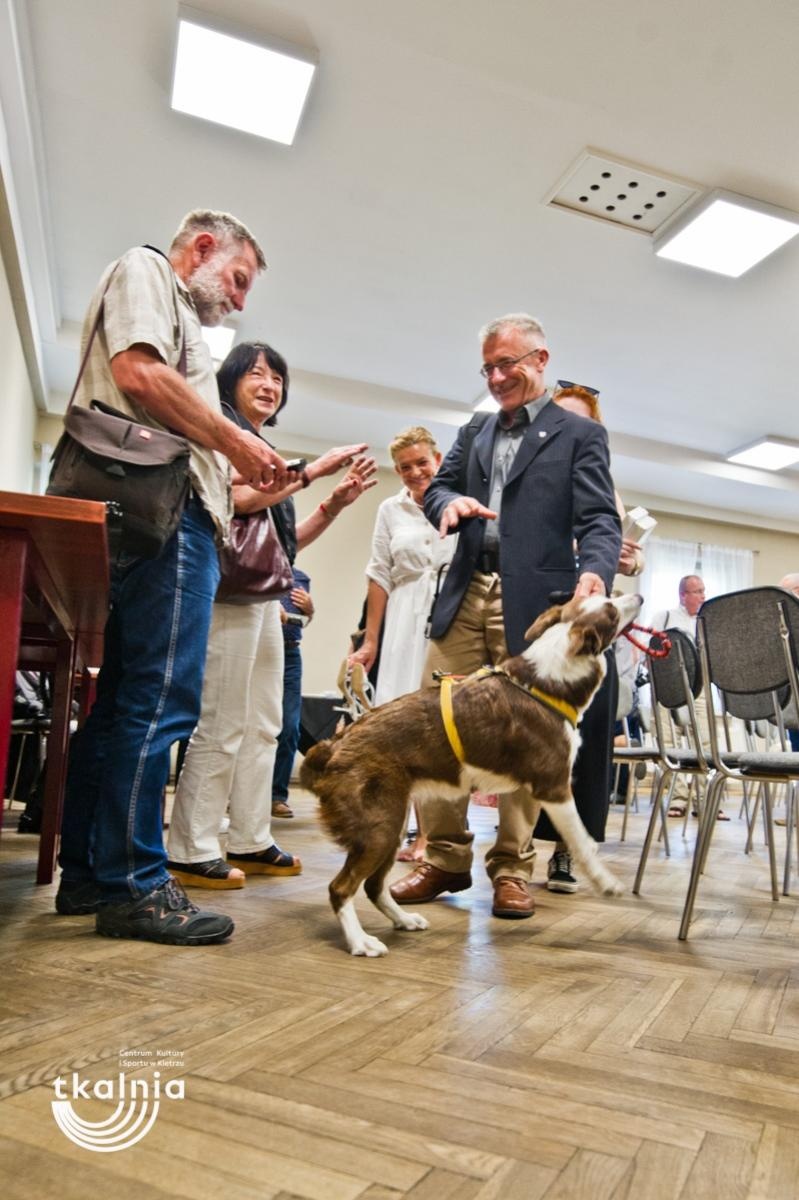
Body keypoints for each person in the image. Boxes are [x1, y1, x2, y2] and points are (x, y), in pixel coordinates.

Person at [55, 210, 294, 944]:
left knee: (125, 700)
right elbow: (138, 372)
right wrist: (233, 441)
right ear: (199, 248)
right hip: (165, 513)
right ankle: (136, 884)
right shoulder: (148, 269)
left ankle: (93, 875)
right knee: (162, 700)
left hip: (163, 517)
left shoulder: (179, 308)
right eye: (238, 277)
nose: (241, 300)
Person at [390, 313, 621, 919]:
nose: (495, 378)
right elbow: (436, 488)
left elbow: (601, 519)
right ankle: (443, 859)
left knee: (523, 733)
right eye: (487, 368)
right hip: (466, 591)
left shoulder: (579, 435)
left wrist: (596, 570)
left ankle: (513, 869)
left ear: (540, 360)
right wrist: (451, 501)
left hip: (535, 605)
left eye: (507, 365)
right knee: (434, 720)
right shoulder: (475, 431)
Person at [167, 341, 376, 889]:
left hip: (265, 597)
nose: (269, 384)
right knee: (222, 721)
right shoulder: (223, 434)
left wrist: (332, 505)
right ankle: (191, 846)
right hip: (229, 595)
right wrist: (311, 472)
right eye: (256, 373)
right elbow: (232, 502)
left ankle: (251, 836)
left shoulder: (260, 446)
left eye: (277, 377)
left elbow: (283, 544)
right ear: (230, 380)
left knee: (267, 724)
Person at [531, 382, 644, 889]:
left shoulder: (605, 486)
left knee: (589, 739)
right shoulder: (532, 476)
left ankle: (566, 853)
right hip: (547, 618)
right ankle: (515, 848)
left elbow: (627, 550)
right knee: (533, 734)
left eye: (581, 421)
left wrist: (632, 557)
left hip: (594, 624)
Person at [349, 426, 456, 860]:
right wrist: (370, 639)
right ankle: (402, 829)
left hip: (450, 617)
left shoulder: (459, 499)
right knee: (402, 727)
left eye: (422, 463)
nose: (415, 473)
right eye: (405, 467)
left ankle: (433, 834)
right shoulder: (389, 510)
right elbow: (379, 574)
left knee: (440, 726)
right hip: (402, 619)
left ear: (439, 459)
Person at [650, 575, 720, 818]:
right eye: (697, 591)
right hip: (667, 690)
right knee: (669, 744)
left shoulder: (706, 622)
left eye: (704, 590)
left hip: (699, 690)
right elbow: (649, 651)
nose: (703, 596)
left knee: (705, 744)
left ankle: (705, 801)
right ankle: (678, 799)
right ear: (683, 595)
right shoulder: (665, 617)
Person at [271, 566, 313, 820]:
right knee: (252, 727)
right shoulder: (257, 570)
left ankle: (276, 796)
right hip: (261, 651)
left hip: (290, 653)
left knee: (290, 726)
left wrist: (310, 611)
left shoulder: (300, 577)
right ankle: (240, 794)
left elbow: (303, 621)